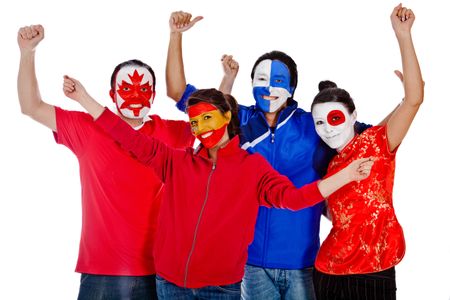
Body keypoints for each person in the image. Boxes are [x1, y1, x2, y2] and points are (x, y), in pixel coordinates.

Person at [62, 81, 374, 299]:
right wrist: (85, 100)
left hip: (222, 289)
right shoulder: (176, 162)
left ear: (227, 117)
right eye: (194, 122)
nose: (200, 128)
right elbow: (128, 137)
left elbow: (294, 199)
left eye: (207, 118)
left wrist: (345, 175)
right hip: (170, 285)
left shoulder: (252, 168)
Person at [165, 11, 373, 300]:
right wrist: (176, 35)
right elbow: (177, 92)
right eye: (261, 79)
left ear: (291, 88)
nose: (269, 87)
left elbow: (373, 135)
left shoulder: (312, 123)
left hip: (303, 262)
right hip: (250, 265)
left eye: (278, 80)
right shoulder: (237, 120)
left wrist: (408, 98)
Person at [17, 25, 194, 299]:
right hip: (102, 272)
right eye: (126, 88)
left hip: (159, 272)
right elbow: (31, 106)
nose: (135, 96)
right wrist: (27, 52)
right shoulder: (86, 128)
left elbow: (215, 119)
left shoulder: (172, 132)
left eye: (143, 89)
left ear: (154, 94)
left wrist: (177, 38)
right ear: (112, 95)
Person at [311, 4, 423, 299]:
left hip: (374, 272)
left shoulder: (376, 142)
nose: (327, 128)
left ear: (351, 115)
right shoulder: (329, 162)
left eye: (334, 118)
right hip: (327, 272)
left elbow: (413, 99)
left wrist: (403, 35)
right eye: (318, 122)